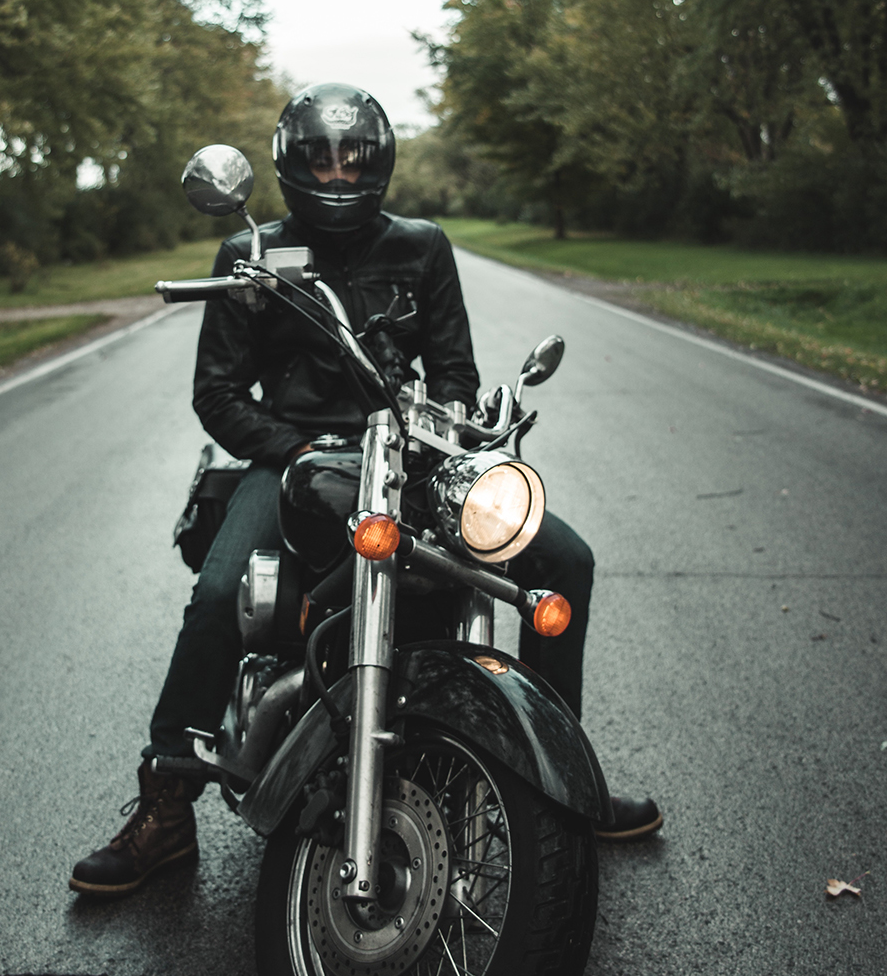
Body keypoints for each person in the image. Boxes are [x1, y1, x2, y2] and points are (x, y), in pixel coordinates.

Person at [70, 83, 662, 895]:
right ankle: (167, 802)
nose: (338, 170)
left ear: (379, 161)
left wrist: (450, 426)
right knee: (219, 595)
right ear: (290, 162)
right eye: (321, 155)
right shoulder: (255, 250)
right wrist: (298, 446)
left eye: (354, 155)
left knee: (563, 559)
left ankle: (565, 781)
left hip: (408, 457)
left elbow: (453, 369)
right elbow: (218, 395)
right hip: (292, 463)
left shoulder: (422, 246)